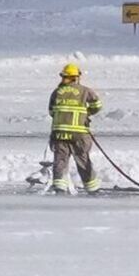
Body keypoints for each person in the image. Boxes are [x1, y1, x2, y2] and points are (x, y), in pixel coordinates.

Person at [48, 63, 102, 195]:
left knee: (60, 161)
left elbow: (51, 111)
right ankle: (93, 190)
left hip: (59, 134)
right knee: (83, 161)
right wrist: (87, 113)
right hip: (79, 135)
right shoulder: (85, 91)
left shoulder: (56, 92)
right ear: (76, 77)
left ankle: (59, 188)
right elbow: (98, 105)